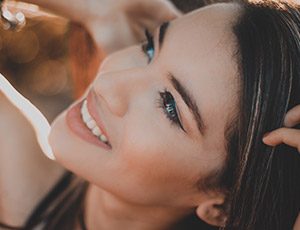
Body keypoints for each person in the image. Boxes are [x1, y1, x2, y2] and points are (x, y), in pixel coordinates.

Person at [0, 0, 299, 229]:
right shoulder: (18, 177)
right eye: (150, 48)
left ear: (223, 207)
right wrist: (97, 8)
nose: (106, 84)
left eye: (169, 106)